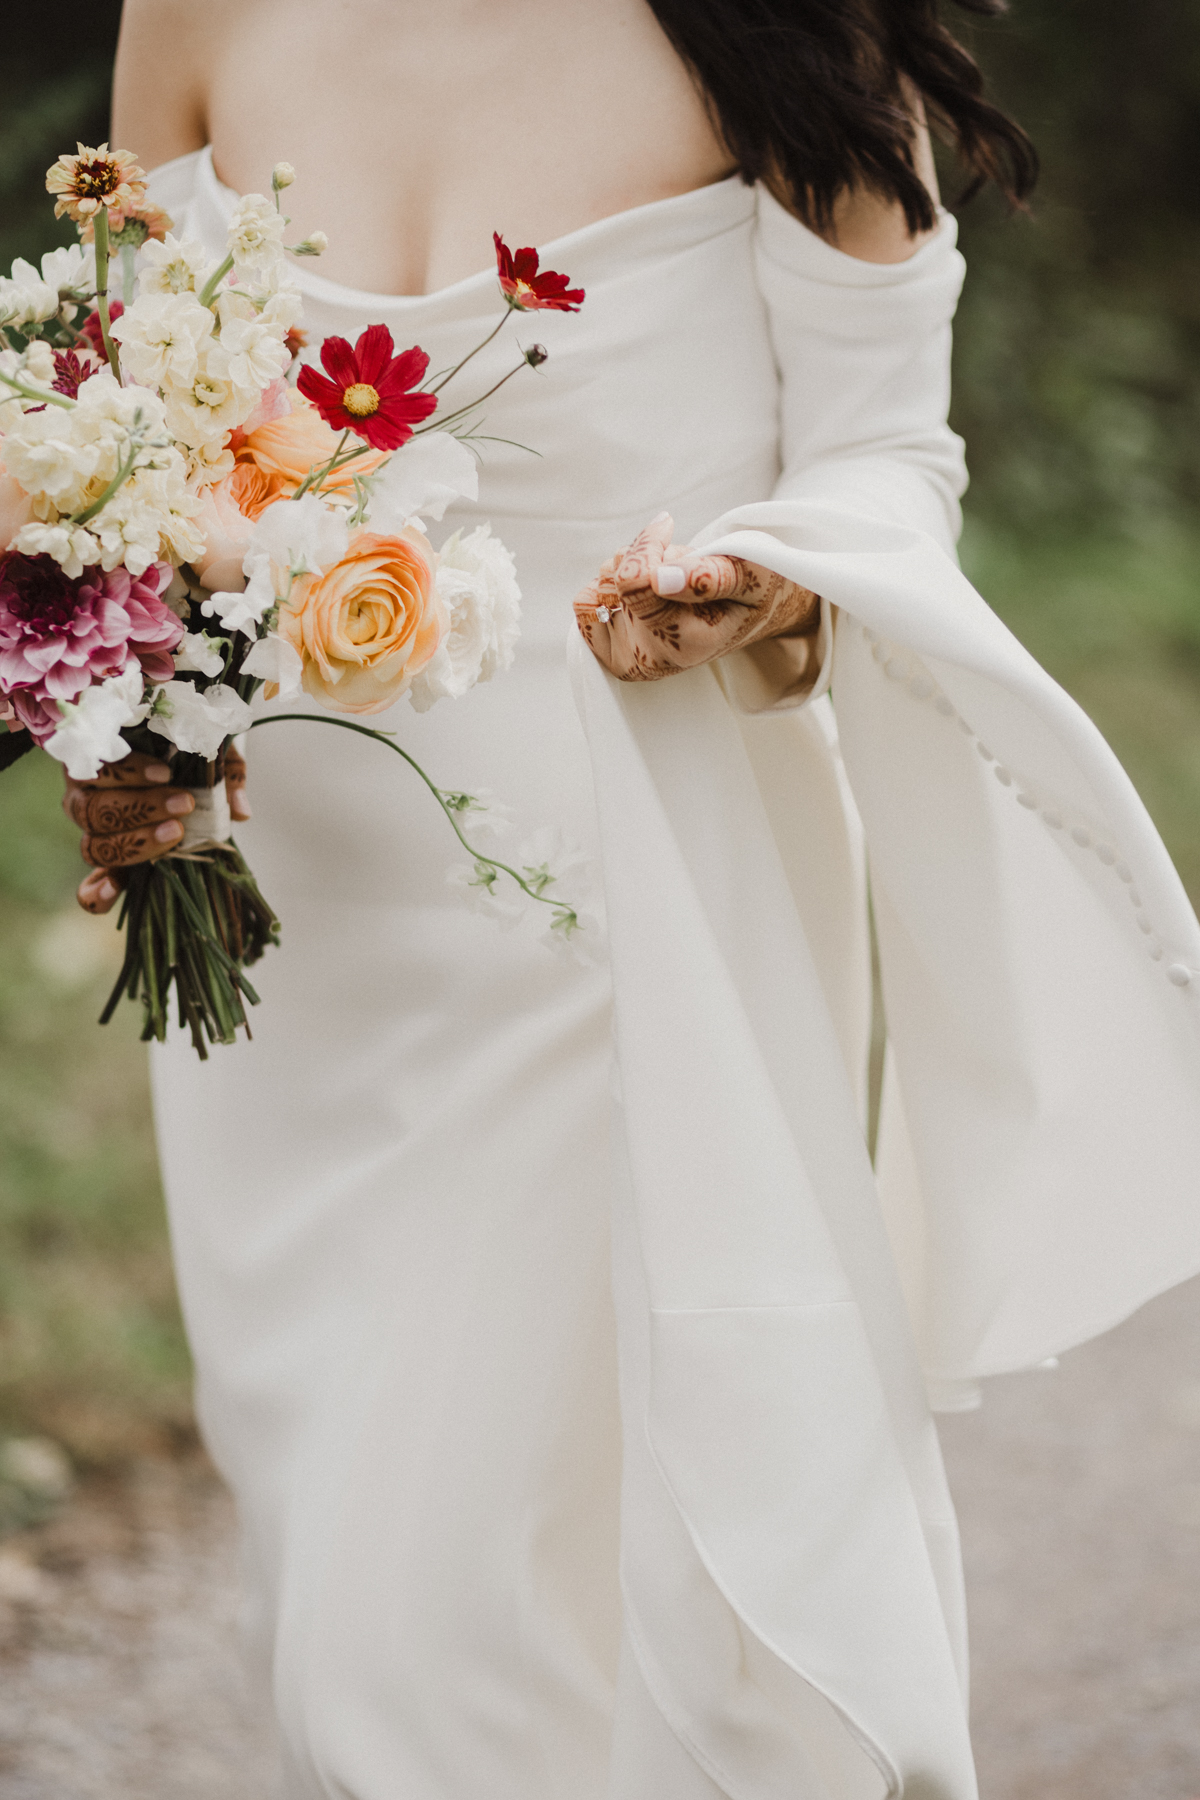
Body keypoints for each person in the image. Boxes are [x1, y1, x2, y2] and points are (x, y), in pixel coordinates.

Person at [63, 2, 1200, 1795]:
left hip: (631, 896)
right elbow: (135, 449)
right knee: (342, 1553)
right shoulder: (196, 13)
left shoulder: (796, 40)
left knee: (494, 1591)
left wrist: (766, 584)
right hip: (301, 948)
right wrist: (125, 727)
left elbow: (890, 461)